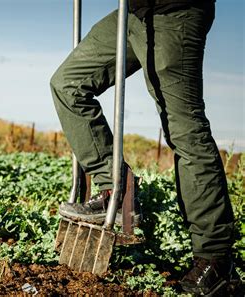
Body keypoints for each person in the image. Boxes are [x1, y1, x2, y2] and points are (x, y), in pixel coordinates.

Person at [49, 0, 239, 295]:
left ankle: (215, 261)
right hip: (134, 12)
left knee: (185, 131)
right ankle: (116, 191)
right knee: (68, 84)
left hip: (175, 10)